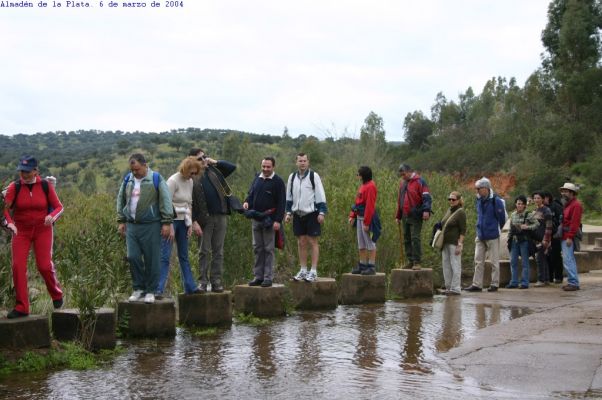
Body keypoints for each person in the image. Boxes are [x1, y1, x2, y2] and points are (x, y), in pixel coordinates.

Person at [2, 156, 64, 318]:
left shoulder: (45, 186)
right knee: (17, 266)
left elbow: (59, 207)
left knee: (44, 266)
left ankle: (56, 294)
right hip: (20, 231)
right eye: (22, 171)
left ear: (36, 171)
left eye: (28, 171)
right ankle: (22, 307)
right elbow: (5, 210)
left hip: (43, 229)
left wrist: (52, 216)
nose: (24, 174)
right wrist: (10, 223)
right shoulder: (14, 187)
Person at [117, 153, 173, 304]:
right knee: (133, 256)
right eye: (132, 169)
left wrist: (166, 222)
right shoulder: (128, 179)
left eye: (137, 169)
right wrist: (121, 220)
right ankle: (138, 288)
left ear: (144, 165)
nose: (134, 172)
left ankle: (151, 290)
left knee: (152, 259)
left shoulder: (155, 178)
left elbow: (165, 200)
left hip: (151, 225)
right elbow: (120, 198)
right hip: (132, 225)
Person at [190, 148, 237, 293]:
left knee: (218, 251)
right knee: (203, 251)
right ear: (192, 161)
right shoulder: (191, 177)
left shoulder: (215, 170)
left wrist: (215, 162)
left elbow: (232, 167)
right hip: (204, 218)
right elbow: (188, 201)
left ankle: (216, 281)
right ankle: (202, 282)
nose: (204, 160)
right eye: (200, 158)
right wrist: (193, 220)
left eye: (205, 156)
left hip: (221, 215)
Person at [157, 156, 204, 296]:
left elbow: (189, 203)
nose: (193, 175)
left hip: (184, 221)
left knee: (184, 256)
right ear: (185, 169)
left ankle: (190, 287)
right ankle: (158, 289)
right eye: (192, 172)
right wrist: (169, 224)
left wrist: (189, 223)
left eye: (196, 173)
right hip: (171, 221)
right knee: (165, 256)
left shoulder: (190, 182)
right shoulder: (173, 181)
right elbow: (165, 203)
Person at [243, 157, 286, 287]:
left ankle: (268, 277)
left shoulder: (278, 181)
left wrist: (278, 220)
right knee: (257, 248)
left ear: (273, 167)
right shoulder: (257, 178)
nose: (265, 169)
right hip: (255, 218)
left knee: (269, 249)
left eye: (268, 167)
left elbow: (282, 202)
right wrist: (246, 202)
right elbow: (251, 194)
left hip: (270, 220)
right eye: (264, 166)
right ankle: (258, 276)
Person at [285, 153, 327, 283]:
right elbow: (289, 196)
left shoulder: (314, 176)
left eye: (304, 161)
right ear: (296, 162)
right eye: (300, 161)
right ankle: (303, 270)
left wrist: (322, 212)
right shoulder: (292, 177)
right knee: (301, 241)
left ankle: (313, 271)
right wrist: (288, 213)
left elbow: (320, 194)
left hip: (312, 213)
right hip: (297, 213)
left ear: (308, 162)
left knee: (312, 241)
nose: (302, 163)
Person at [464, 177, 506, 292]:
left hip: (492, 235)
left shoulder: (495, 200)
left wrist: (496, 229)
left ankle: (494, 284)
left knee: (494, 261)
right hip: (480, 234)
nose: (477, 191)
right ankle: (477, 284)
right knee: (478, 260)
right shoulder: (478, 200)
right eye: (477, 189)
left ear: (486, 188)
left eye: (479, 188)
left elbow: (502, 218)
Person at [395, 164, 432, 270]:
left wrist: (426, 210)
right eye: (401, 175)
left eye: (404, 174)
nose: (402, 176)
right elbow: (400, 200)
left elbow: (427, 197)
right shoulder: (402, 184)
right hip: (404, 215)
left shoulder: (420, 181)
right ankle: (410, 261)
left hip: (416, 214)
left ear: (409, 171)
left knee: (415, 238)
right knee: (406, 238)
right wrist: (398, 216)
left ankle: (417, 262)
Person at [348, 166, 380, 275]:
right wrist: (352, 215)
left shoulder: (371, 186)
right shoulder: (363, 186)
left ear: (363, 175)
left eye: (358, 174)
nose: (357, 176)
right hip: (359, 217)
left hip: (367, 219)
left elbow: (369, 206)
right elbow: (357, 202)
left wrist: (367, 222)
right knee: (361, 243)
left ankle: (371, 266)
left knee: (370, 243)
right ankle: (362, 265)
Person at [505, 195, 539, 289]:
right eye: (518, 203)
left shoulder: (528, 214)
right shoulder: (513, 215)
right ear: (516, 204)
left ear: (524, 205)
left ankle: (525, 283)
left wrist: (527, 227)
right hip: (514, 240)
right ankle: (514, 282)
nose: (519, 205)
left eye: (521, 204)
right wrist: (508, 239)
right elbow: (511, 229)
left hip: (524, 240)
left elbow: (537, 224)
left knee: (525, 262)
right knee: (513, 261)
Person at [440, 191, 467, 295]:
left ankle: (455, 288)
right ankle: (448, 287)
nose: (451, 201)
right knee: (446, 265)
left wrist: (460, 244)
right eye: (449, 199)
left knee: (455, 265)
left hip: (454, 243)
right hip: (445, 242)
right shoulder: (449, 210)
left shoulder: (461, 212)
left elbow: (463, 230)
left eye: (453, 199)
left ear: (459, 200)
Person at [558, 183, 583, 291]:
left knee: (568, 260)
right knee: (567, 259)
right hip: (564, 235)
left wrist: (570, 237)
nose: (563, 193)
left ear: (571, 193)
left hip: (568, 236)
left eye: (566, 191)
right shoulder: (568, 204)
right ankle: (572, 281)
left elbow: (575, 222)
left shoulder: (576, 205)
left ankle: (573, 283)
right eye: (563, 191)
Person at [531, 191, 553, 287]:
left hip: (544, 238)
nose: (536, 200)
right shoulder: (535, 210)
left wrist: (546, 240)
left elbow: (549, 226)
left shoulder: (546, 210)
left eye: (538, 198)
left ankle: (541, 280)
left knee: (540, 259)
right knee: (543, 258)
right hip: (537, 238)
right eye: (535, 198)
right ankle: (546, 279)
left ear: (543, 199)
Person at [543, 191, 564, 284]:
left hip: (555, 235)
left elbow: (561, 220)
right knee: (547, 256)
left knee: (556, 256)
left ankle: (558, 276)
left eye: (544, 198)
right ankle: (550, 277)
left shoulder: (556, 206)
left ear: (548, 197)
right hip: (547, 234)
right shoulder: (544, 208)